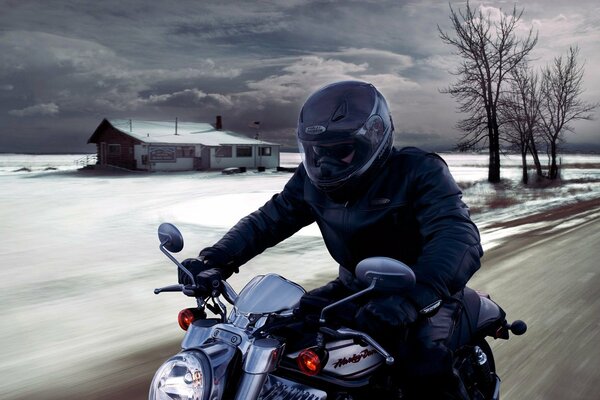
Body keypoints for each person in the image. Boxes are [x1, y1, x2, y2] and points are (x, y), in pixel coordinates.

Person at [179, 80, 483, 399]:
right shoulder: (311, 181)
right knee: (278, 335)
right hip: (353, 288)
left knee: (423, 364)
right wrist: (215, 260)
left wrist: (414, 297)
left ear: (374, 138)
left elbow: (458, 237)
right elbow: (270, 219)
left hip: (423, 292)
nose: (325, 163)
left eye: (341, 151)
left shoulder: (418, 171)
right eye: (317, 152)